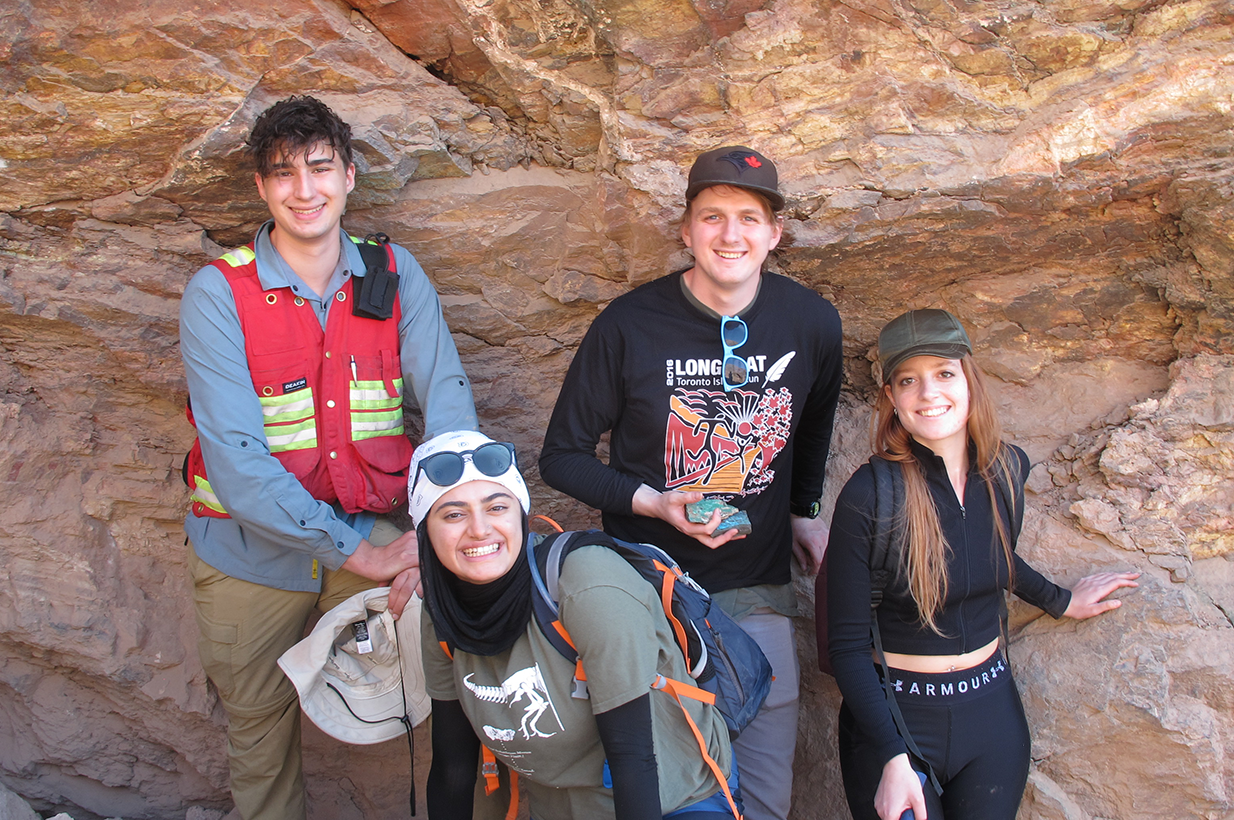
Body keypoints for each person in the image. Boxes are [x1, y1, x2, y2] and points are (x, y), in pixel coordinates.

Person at [179, 95, 477, 820]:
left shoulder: (394, 273)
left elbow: (448, 412)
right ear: (261, 187)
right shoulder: (220, 292)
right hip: (248, 555)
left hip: (373, 530)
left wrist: (449, 533)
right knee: (259, 736)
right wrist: (361, 555)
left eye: (319, 168)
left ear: (348, 176)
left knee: (465, 668)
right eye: (283, 174)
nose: (303, 189)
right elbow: (240, 465)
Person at [539, 145, 843, 819]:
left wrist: (804, 511)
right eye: (711, 217)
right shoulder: (627, 326)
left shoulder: (812, 323)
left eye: (747, 217)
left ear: (774, 234)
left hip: (756, 585)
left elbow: (814, 424)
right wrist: (653, 503)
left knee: (764, 795)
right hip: (647, 592)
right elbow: (560, 456)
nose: (729, 235)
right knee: (663, 785)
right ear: (686, 230)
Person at [826, 308, 1140, 820]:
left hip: (991, 715)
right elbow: (846, 647)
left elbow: (994, 557)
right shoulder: (871, 495)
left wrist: (1062, 601)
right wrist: (892, 755)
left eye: (944, 374)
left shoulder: (1007, 470)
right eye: (909, 381)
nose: (929, 394)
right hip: (898, 720)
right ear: (892, 398)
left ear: (969, 380)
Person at [412, 430, 737, 819]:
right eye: (453, 514)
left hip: (673, 800)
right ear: (424, 531)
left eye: (497, 507)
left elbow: (633, 756)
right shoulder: (443, 611)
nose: (479, 529)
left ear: (520, 514)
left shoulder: (585, 583)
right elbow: (453, 767)